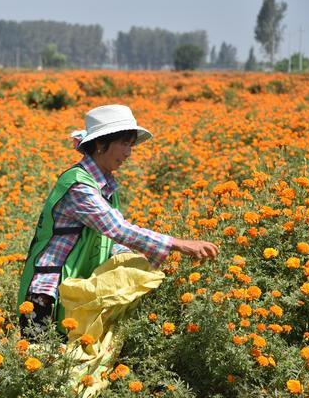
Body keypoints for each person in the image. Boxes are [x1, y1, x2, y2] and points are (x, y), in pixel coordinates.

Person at [17, 104, 218, 338]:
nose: (128, 153)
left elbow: (104, 241)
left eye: (130, 145)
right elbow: (116, 228)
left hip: (74, 291)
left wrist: (136, 259)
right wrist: (178, 244)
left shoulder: (104, 186)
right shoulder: (79, 186)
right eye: (124, 143)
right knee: (45, 365)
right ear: (101, 144)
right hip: (47, 295)